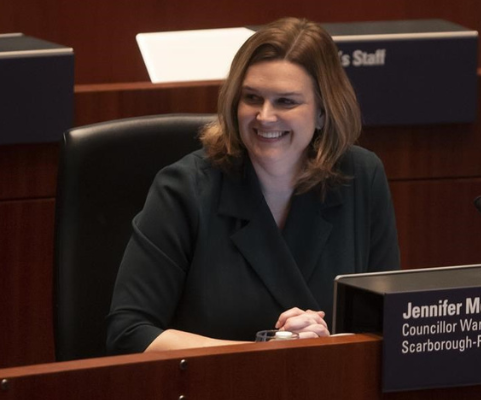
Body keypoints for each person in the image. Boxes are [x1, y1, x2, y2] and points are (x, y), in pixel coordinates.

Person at [106, 17, 400, 355]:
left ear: (323, 111)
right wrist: (260, 354)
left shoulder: (361, 177)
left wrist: (326, 345)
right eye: (252, 98)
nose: (264, 116)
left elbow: (386, 325)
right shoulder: (184, 189)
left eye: (286, 101)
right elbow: (129, 333)